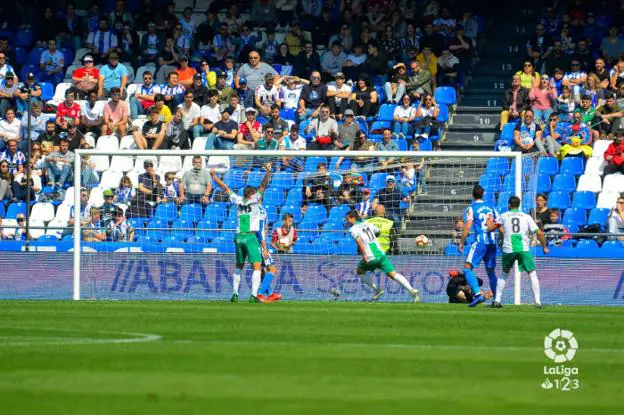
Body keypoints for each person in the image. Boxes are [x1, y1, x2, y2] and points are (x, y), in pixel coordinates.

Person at [210, 163, 272, 303]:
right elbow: (263, 186)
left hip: (238, 237)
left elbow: (225, 188)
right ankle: (254, 295)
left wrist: (214, 176)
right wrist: (268, 172)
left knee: (239, 266)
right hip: (250, 237)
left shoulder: (237, 200)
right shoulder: (256, 200)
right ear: (253, 195)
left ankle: (235, 294)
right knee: (257, 266)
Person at [488, 196, 549, 308]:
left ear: (509, 205)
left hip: (508, 249)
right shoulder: (526, 216)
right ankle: (538, 302)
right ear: (519, 205)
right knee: (532, 273)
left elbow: (493, 228)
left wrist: (489, 225)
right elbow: (539, 233)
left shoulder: (503, 215)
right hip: (523, 249)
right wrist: (545, 246)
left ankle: (497, 300)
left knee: (504, 273)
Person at [346, 210, 420, 302]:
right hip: (381, 254)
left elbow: (359, 242)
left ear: (353, 218)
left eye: (347, 219)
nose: (347, 221)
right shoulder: (367, 224)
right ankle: (411, 290)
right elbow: (378, 232)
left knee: (360, 271)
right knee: (393, 274)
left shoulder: (353, 229)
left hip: (370, 257)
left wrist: (365, 255)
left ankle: (377, 290)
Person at [457, 184, 500, 307]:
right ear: (483, 194)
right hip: (492, 243)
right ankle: (497, 300)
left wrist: (461, 242)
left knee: (467, 268)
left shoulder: (471, 208)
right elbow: (499, 224)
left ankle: (477, 294)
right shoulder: (492, 208)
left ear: (473, 195)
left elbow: (468, 226)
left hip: (480, 242)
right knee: (491, 272)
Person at [256, 204, 283, 303]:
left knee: (264, 270)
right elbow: (260, 230)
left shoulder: (250, 209)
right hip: (260, 244)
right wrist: (264, 248)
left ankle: (270, 294)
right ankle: (259, 294)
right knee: (271, 269)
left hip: (254, 244)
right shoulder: (260, 210)